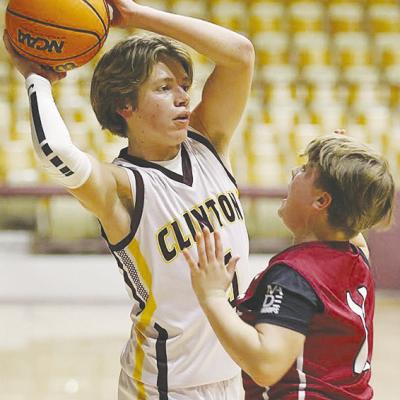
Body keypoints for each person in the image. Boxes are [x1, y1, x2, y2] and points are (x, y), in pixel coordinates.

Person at [3, 0, 255, 398]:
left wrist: (136, 15)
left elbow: (240, 54)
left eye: (184, 87)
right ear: (126, 106)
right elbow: (56, 153)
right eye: (163, 88)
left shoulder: (209, 143)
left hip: (233, 374)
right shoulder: (123, 186)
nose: (182, 98)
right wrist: (36, 78)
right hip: (165, 387)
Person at [184, 133, 395, 400]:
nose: (295, 171)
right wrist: (344, 159)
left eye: (305, 170)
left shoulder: (295, 276)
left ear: (321, 201)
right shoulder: (358, 259)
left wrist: (212, 297)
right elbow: (353, 220)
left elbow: (266, 365)